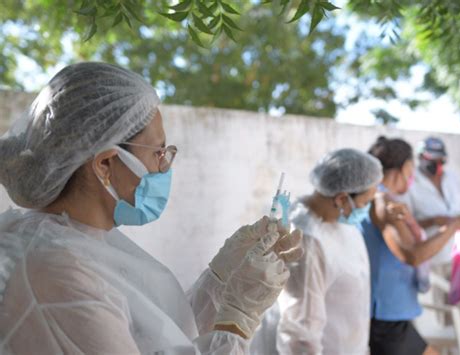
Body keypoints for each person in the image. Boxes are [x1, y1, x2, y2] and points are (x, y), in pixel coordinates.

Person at [0, 62, 303, 354]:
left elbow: (160, 339)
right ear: (105, 164)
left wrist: (222, 278)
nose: (165, 165)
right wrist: (238, 321)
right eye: (158, 152)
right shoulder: (54, 272)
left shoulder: (86, 242)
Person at [252, 148, 383, 354]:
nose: (366, 210)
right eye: (365, 203)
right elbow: (300, 331)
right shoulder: (307, 241)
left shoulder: (344, 224)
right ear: (341, 199)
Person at [361, 136, 460, 355]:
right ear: (403, 168)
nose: (412, 177)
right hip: (387, 314)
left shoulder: (380, 199)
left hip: (390, 313)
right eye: (411, 170)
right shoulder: (385, 203)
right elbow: (412, 255)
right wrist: (455, 224)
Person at [400, 136, 460, 266]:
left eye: (440, 160)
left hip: (459, 255)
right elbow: (404, 224)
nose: (437, 164)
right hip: (431, 259)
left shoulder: (452, 178)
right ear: (420, 157)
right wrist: (433, 221)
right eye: (432, 160)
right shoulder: (410, 182)